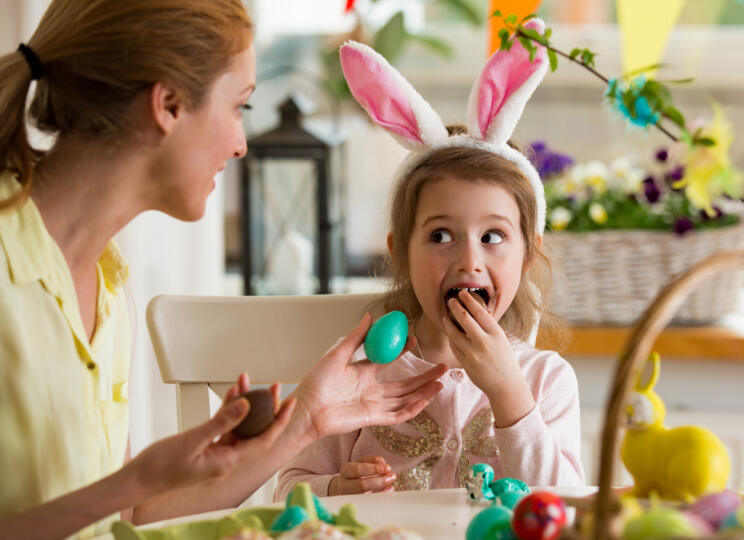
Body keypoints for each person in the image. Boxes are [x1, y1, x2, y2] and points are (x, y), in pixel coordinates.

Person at [0, 1, 446, 538]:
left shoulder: (106, 284)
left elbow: (124, 520)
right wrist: (134, 480)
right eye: (239, 107)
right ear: (167, 105)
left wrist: (306, 422)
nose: (240, 145)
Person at [275, 24, 584, 499]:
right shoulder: (358, 371)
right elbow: (289, 492)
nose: (468, 260)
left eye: (493, 236)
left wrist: (509, 395)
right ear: (399, 251)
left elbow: (566, 508)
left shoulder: (546, 380)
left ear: (527, 256)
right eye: (441, 235)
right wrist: (335, 487)